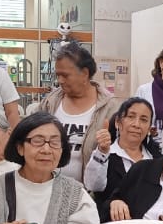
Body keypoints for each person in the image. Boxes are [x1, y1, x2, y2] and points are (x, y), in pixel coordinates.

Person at [33, 42, 120, 187]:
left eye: (65, 75)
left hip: (88, 194)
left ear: (85, 73)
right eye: (58, 75)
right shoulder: (51, 101)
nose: (59, 80)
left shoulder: (110, 107)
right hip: (47, 188)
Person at [84, 97, 158, 203]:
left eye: (143, 120)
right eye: (131, 117)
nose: (136, 124)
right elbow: (92, 185)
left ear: (149, 128)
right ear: (118, 122)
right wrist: (102, 152)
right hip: (110, 217)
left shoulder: (156, 158)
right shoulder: (106, 154)